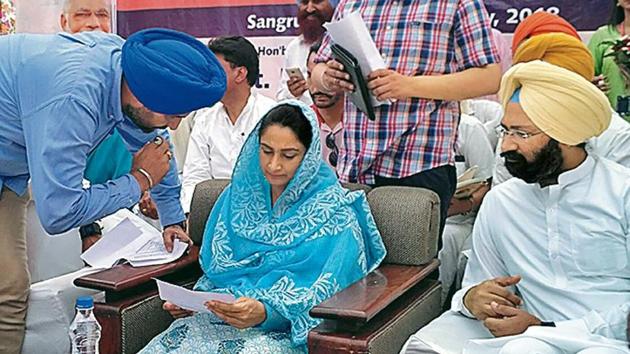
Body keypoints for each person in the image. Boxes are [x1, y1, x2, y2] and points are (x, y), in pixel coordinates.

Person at [0, 28, 227, 353]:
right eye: (172, 115)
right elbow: (59, 212)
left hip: (9, 169)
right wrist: (139, 181)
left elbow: (155, 145)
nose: (175, 126)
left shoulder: (131, 72)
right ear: (139, 96)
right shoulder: (74, 98)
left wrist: (172, 221)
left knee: (8, 289)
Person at [401, 60, 630, 354]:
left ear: (567, 134)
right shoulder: (502, 202)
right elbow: (480, 281)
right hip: (527, 339)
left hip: (611, 340)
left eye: (521, 134)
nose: (506, 146)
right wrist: (473, 297)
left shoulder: (622, 192)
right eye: (505, 131)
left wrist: (550, 330)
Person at [139, 102, 386, 353]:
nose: (274, 165)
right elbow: (218, 273)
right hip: (216, 321)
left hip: (285, 332)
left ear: (309, 155)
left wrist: (267, 312)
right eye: (266, 151)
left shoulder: (335, 213)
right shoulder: (237, 198)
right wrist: (197, 302)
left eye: (288, 155)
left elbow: (334, 288)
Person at [311, 0, 501, 234]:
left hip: (418, 164)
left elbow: (489, 77)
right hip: (354, 164)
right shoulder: (351, 3)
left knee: (410, 266)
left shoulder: (458, 3)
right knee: (353, 263)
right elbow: (318, 68)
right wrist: (328, 77)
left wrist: (409, 86)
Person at [181, 36, 276, 213]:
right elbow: (195, 177)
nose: (209, 78)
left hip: (265, 214)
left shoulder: (272, 115)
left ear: (240, 74)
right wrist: (191, 217)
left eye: (215, 70)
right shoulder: (204, 118)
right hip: (214, 215)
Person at [439, 113, 494, 307]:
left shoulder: (469, 128)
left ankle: (436, 306)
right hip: (417, 213)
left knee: (444, 239)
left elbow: (486, 184)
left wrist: (462, 206)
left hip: (457, 220)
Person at [276, 0, 338, 104]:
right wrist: (292, 93)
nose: (310, 9)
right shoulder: (294, 48)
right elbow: (281, 98)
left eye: (317, 1)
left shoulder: (342, 44)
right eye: (304, 2)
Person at [589, 0, 630, 118]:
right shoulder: (602, 35)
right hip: (613, 124)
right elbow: (587, 76)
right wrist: (592, 86)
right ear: (617, 2)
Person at [306, 41, 344, 170]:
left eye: (326, 77)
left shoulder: (360, 124)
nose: (317, 86)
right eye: (310, 75)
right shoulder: (301, 122)